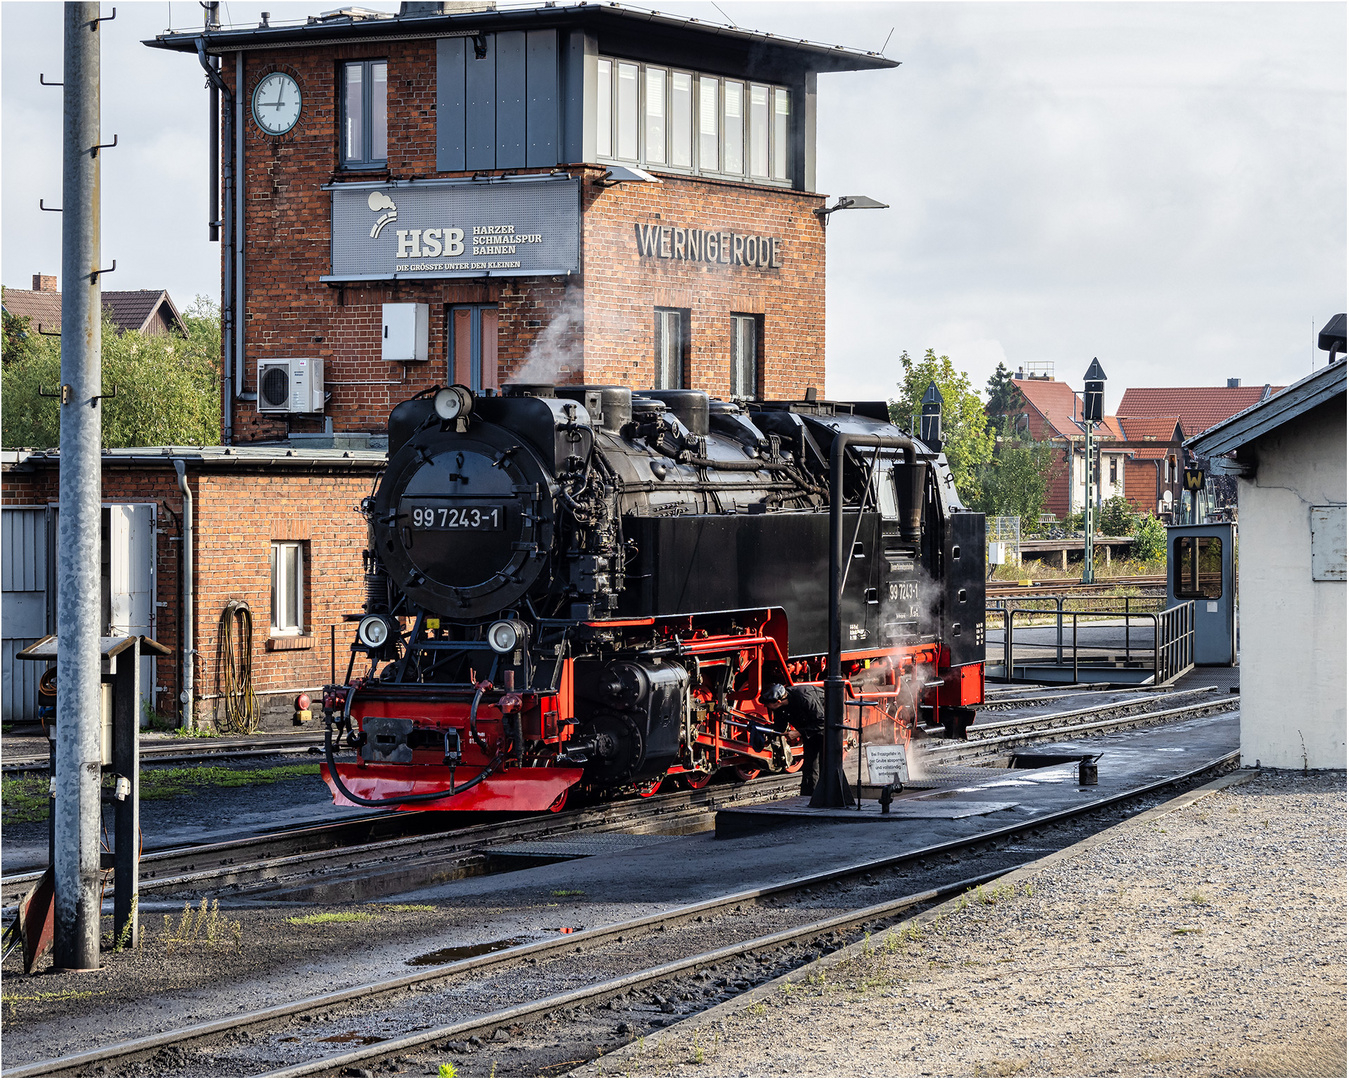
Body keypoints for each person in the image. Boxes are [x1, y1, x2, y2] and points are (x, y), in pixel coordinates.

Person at [758, 682, 825, 796]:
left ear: (778, 701)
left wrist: (798, 733)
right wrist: (762, 729)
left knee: (826, 761)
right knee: (810, 764)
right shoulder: (779, 707)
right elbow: (780, 727)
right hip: (808, 728)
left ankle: (827, 794)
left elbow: (822, 721)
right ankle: (809, 796)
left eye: (767, 704)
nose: (765, 706)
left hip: (824, 725)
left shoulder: (805, 698)